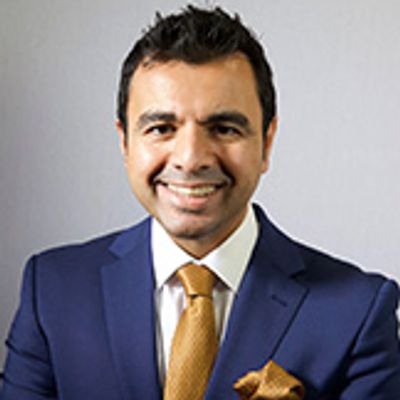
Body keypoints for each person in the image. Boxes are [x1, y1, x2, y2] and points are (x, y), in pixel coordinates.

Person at [1, 5, 399, 400]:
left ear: (267, 142)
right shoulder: (52, 290)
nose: (191, 159)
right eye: (162, 128)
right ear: (125, 143)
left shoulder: (358, 313)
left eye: (224, 128)